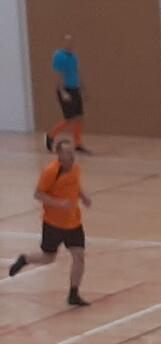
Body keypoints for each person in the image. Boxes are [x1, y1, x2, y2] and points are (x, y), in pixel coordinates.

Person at [8, 140, 91, 306]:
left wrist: (83, 197)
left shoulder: (76, 168)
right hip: (53, 224)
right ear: (59, 154)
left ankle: (73, 294)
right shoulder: (51, 172)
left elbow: (76, 185)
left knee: (79, 256)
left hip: (74, 222)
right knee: (48, 258)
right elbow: (38, 194)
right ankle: (25, 259)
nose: (71, 155)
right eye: (67, 152)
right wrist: (58, 203)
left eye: (72, 152)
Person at [46, 34, 89, 154]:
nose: (70, 44)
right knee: (69, 119)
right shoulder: (59, 56)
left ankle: (77, 143)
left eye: (71, 42)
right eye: (67, 42)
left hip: (75, 88)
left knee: (79, 117)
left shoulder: (74, 56)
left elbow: (77, 72)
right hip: (65, 89)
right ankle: (51, 135)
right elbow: (58, 75)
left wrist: (83, 88)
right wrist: (62, 91)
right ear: (63, 43)